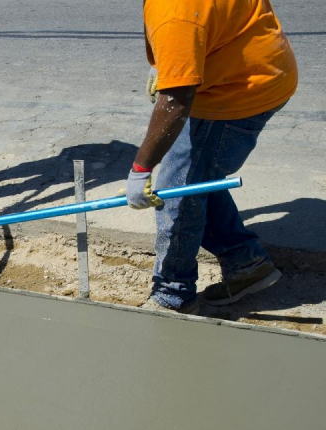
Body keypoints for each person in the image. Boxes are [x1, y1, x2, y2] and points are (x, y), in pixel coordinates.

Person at [127, 0, 298, 314]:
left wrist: (141, 170)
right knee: (196, 181)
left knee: (176, 194)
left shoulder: (174, 11)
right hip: (261, 68)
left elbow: (176, 100)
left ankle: (172, 296)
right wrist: (171, 60)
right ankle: (245, 262)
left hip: (239, 92)